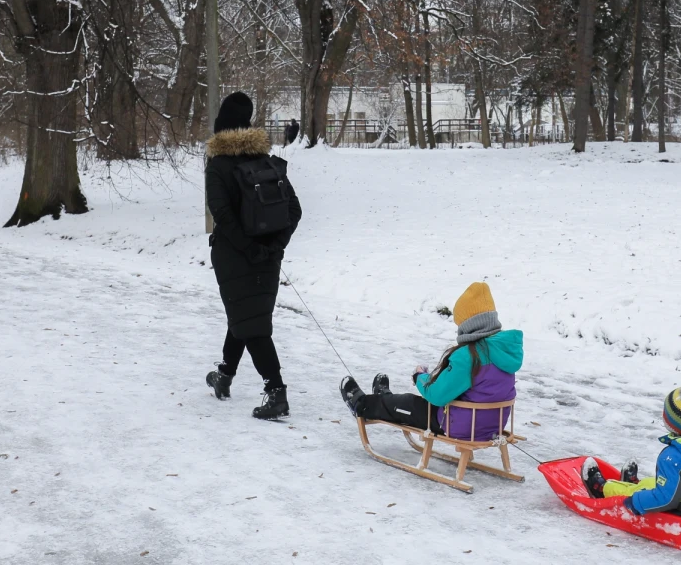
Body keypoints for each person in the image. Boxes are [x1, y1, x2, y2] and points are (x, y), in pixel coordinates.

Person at [204, 92, 302, 420]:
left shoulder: (218, 165)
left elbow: (221, 214)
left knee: (252, 322)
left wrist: (250, 249)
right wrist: (274, 248)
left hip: (235, 256)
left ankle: (276, 391)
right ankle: (225, 375)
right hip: (267, 258)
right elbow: (294, 209)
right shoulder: (266, 161)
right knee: (246, 315)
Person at [339, 282, 522, 441]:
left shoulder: (469, 356)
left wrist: (419, 376)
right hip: (491, 426)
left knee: (409, 403)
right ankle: (384, 398)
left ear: (469, 324)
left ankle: (361, 404)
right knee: (408, 403)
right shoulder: (505, 350)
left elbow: (437, 395)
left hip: (462, 426)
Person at [581, 377, 681, 516]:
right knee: (653, 483)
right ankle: (635, 484)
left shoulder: (674, 457)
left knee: (641, 494)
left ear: (672, 423)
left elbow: (666, 500)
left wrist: (635, 504)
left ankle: (602, 489)